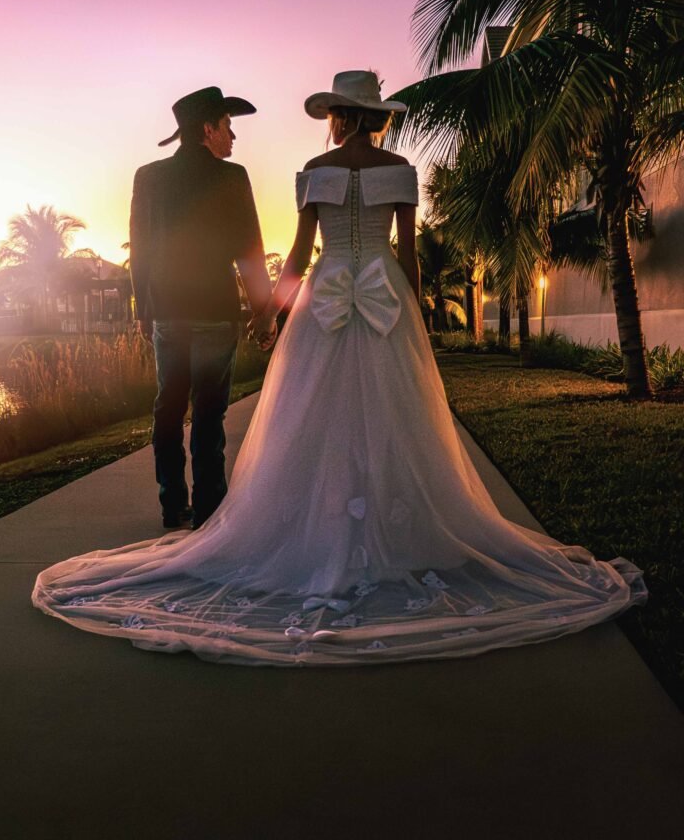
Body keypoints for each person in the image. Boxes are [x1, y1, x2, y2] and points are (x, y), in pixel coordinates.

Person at [33, 70, 645, 666]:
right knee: (391, 416)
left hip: (322, 302)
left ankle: (248, 515)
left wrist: (275, 313)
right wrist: (417, 321)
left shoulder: (315, 174)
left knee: (302, 419)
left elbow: (298, 255)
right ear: (375, 119)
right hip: (385, 300)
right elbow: (408, 256)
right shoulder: (399, 172)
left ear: (336, 116)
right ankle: (389, 523)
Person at [129, 86, 273, 531]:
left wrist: (142, 308)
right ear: (208, 128)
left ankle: (172, 504)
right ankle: (209, 508)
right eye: (228, 126)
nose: (233, 138)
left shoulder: (148, 177)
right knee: (209, 413)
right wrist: (263, 312)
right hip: (214, 310)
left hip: (168, 312)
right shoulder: (232, 177)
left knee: (168, 407)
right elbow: (250, 250)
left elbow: (141, 248)